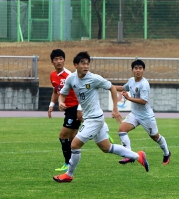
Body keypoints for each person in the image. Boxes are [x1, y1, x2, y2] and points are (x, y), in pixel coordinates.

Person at [53, 51, 149, 183]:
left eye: (87, 63)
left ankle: (69, 174)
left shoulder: (94, 78)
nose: (86, 66)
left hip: (95, 119)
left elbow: (112, 88)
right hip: (91, 119)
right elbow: (62, 94)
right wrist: (61, 103)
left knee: (74, 145)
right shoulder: (71, 79)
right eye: (83, 63)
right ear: (76, 65)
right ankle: (138, 156)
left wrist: (115, 109)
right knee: (107, 148)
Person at [113, 59, 171, 165]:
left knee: (155, 137)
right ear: (132, 70)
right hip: (135, 114)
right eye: (136, 68)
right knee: (121, 130)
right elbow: (122, 88)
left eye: (140, 68)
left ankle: (167, 153)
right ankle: (129, 155)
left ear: (143, 70)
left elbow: (144, 101)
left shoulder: (144, 84)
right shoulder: (131, 80)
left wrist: (128, 98)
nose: (138, 70)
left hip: (146, 116)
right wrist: (109, 87)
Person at [48, 49, 83, 173]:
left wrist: (79, 108)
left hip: (75, 108)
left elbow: (80, 92)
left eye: (61, 59)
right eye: (56, 59)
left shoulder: (70, 75)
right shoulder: (53, 75)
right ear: (52, 61)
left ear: (64, 60)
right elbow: (55, 90)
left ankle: (67, 163)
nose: (59, 61)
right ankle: (101, 131)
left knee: (63, 136)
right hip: (68, 109)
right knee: (72, 138)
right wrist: (52, 104)